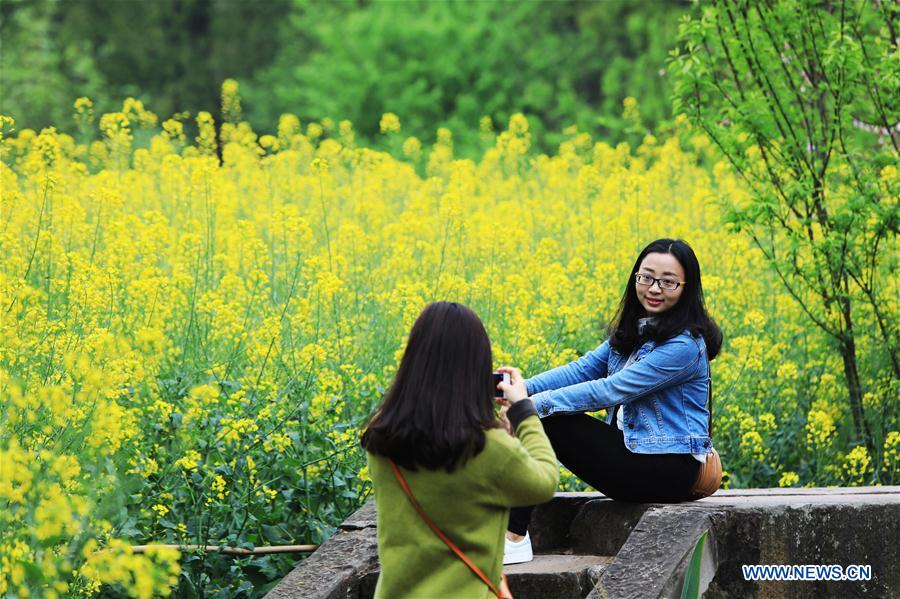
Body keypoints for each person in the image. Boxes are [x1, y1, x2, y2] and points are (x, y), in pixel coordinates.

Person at [498, 238, 723, 565]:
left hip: (670, 468)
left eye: (668, 281)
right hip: (635, 456)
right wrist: (517, 387)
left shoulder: (686, 347)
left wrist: (529, 405)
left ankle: (515, 537)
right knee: (529, 417)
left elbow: (612, 390)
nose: (654, 288)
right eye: (646, 277)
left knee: (543, 419)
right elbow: (582, 370)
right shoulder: (635, 331)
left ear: (687, 289)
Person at [362, 301, 558, 598]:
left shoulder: (381, 439)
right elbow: (544, 482)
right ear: (476, 368)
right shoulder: (488, 447)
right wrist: (523, 412)